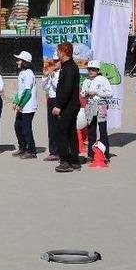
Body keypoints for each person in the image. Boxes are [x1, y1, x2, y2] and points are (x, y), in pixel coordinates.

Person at [53, 42, 82, 173]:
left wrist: (59, 105)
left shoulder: (69, 68)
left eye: (58, 51)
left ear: (64, 52)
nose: (57, 53)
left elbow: (67, 88)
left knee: (63, 133)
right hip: (71, 105)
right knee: (71, 133)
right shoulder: (68, 66)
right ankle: (74, 160)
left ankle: (65, 161)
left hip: (68, 107)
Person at [81, 60, 113, 162]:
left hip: (101, 104)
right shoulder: (86, 80)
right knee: (91, 130)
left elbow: (110, 93)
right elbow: (82, 93)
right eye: (89, 69)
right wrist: (85, 94)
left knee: (102, 130)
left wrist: (97, 92)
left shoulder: (103, 79)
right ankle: (91, 154)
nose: (91, 71)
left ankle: (105, 154)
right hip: (90, 105)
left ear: (98, 70)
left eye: (93, 69)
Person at [11, 51, 37, 159]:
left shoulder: (29, 74)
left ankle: (31, 150)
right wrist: (15, 101)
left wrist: (20, 105)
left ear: (25, 62)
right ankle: (22, 147)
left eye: (19, 60)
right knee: (17, 126)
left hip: (28, 106)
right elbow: (20, 91)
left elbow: (27, 92)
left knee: (26, 128)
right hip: (22, 106)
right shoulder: (22, 73)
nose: (17, 62)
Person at [42, 52, 60, 161]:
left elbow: (58, 86)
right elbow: (46, 87)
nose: (54, 63)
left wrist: (52, 76)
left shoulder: (62, 73)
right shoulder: (53, 72)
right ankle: (53, 151)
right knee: (52, 127)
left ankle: (61, 151)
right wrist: (45, 76)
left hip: (59, 100)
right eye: (53, 61)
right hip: (51, 99)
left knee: (60, 127)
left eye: (57, 61)